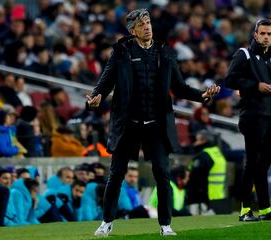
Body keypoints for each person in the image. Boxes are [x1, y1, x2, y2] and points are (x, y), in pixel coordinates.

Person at [87, 9, 220, 236]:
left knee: (162, 173)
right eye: (141, 24)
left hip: (156, 124)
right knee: (117, 173)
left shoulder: (163, 52)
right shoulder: (121, 51)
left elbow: (178, 87)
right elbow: (106, 81)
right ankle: (107, 221)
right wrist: (95, 97)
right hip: (128, 123)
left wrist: (202, 96)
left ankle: (165, 225)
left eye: (148, 22)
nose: (147, 27)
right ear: (132, 30)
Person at [225, 19, 271, 221]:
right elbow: (230, 79)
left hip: (270, 116)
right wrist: (256, 86)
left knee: (264, 165)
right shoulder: (244, 54)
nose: (266, 37)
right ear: (255, 34)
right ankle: (245, 210)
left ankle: (264, 209)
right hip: (252, 116)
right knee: (252, 163)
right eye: (262, 33)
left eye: (269, 34)